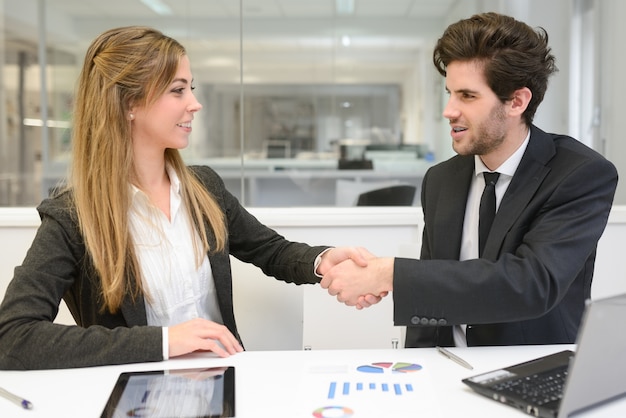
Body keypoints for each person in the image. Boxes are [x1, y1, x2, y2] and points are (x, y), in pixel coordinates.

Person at [0, 26, 372, 370]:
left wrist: (324, 260)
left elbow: (271, 250)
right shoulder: (72, 216)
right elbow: (13, 337)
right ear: (129, 104)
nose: (195, 104)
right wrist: (164, 341)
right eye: (178, 90)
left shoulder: (202, 187)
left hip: (224, 379)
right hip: (137, 395)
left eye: (190, 88)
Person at [320, 12, 618, 348]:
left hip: (535, 369)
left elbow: (532, 284)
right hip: (450, 371)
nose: (449, 110)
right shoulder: (441, 179)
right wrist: (419, 371)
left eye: (467, 96)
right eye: (449, 93)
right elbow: (431, 295)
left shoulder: (578, 174)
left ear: (517, 101)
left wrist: (389, 273)